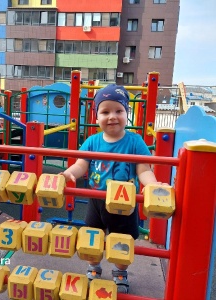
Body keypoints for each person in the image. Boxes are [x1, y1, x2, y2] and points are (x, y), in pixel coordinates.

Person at [61, 84, 161, 294]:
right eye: (105, 112)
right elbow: (81, 164)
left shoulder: (135, 142)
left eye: (119, 111)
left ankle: (120, 272)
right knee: (92, 237)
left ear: (127, 113)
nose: (112, 116)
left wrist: (152, 185)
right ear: (97, 116)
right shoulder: (92, 141)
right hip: (97, 201)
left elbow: (143, 169)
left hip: (124, 205)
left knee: (122, 243)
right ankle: (94, 266)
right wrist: (70, 173)